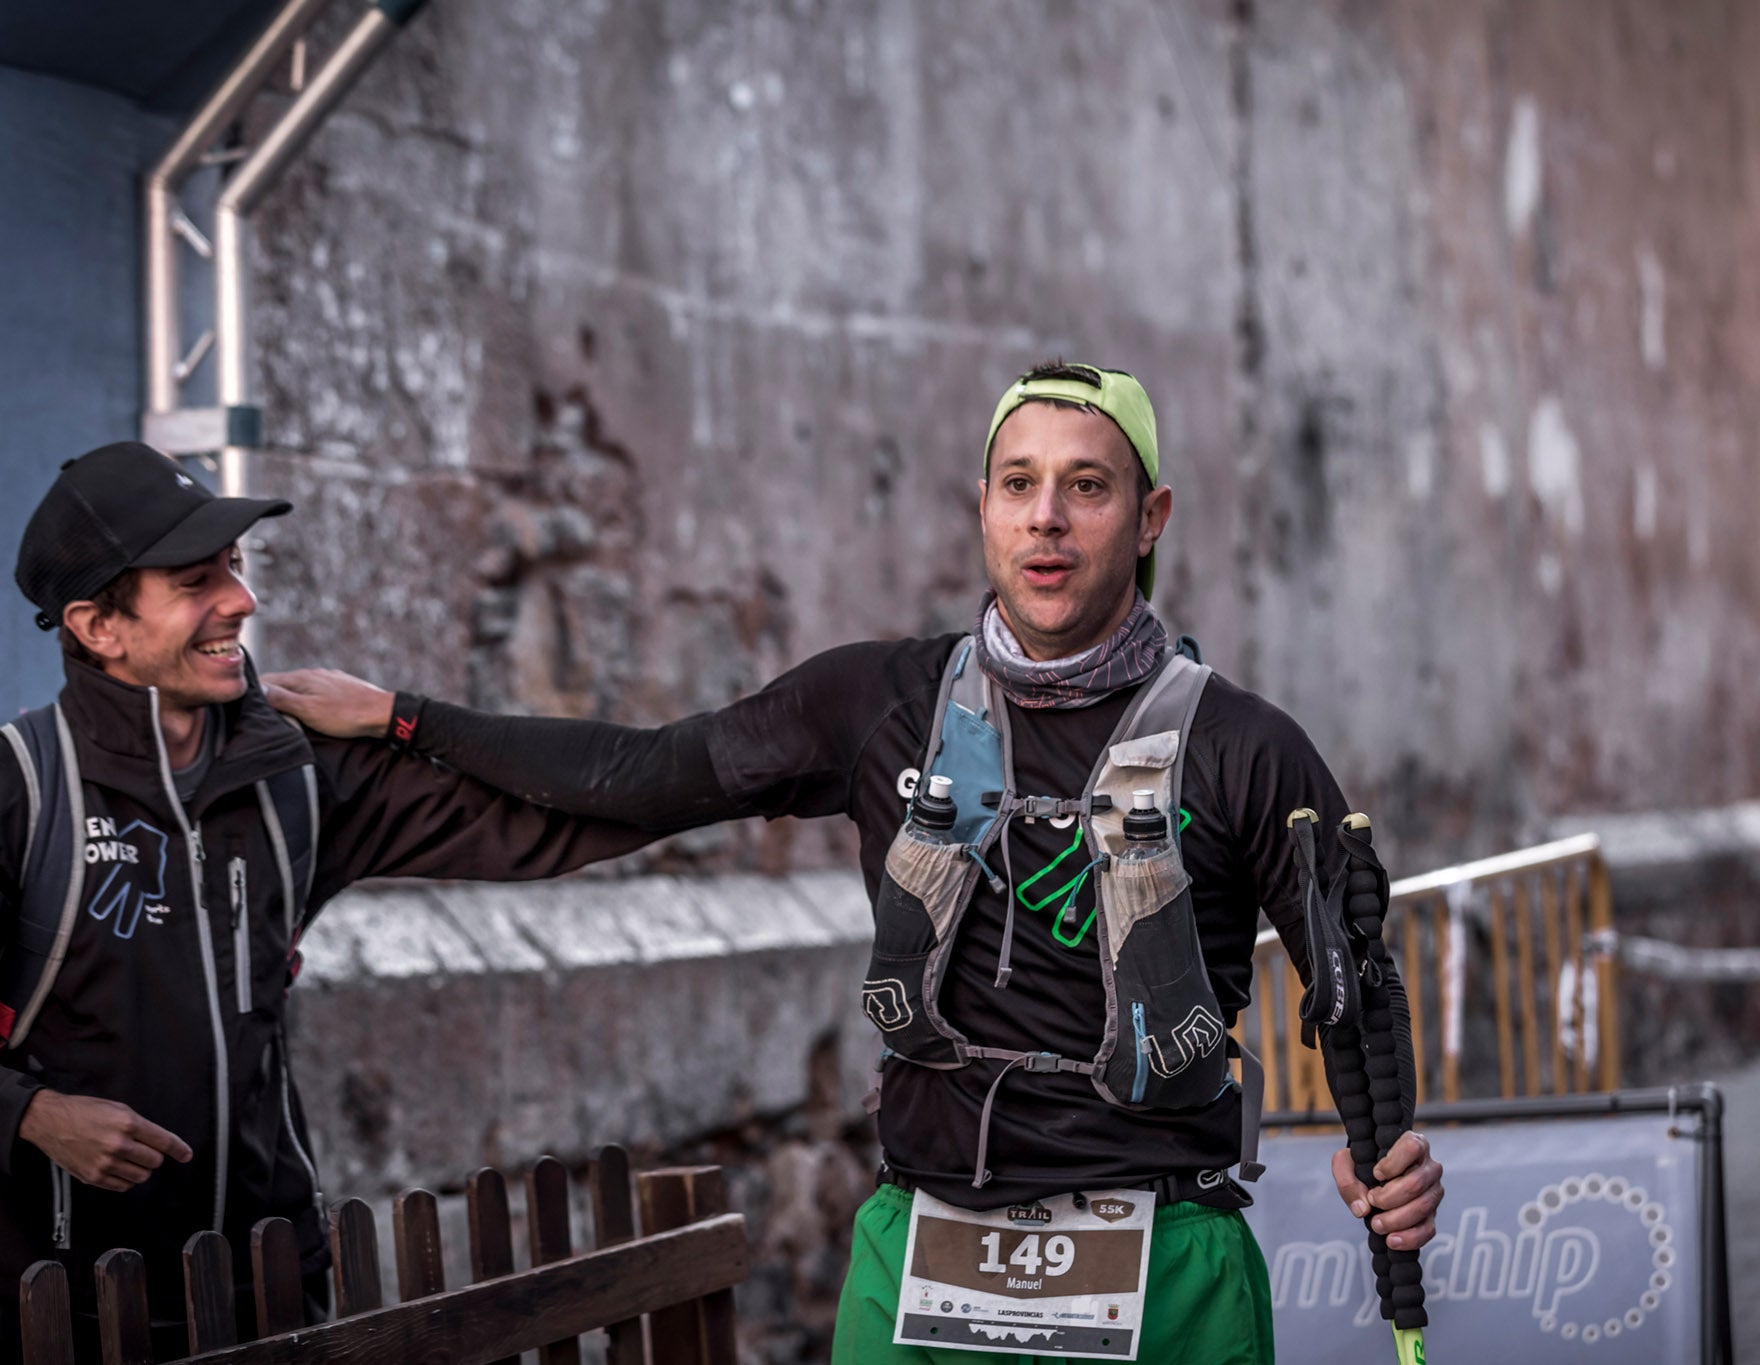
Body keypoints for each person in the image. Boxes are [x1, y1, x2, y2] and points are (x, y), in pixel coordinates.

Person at [268, 361, 1445, 1364]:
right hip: (920, 1246)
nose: (1047, 518)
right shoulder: (874, 702)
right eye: (1020, 485)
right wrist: (404, 719)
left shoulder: (1246, 746)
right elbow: (637, 777)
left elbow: (1352, 982)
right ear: (979, 507)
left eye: (1087, 488)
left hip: (1166, 1259)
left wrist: (1378, 1155)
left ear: (1149, 518)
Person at [0, 443, 656, 1357]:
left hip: (270, 1290)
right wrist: (30, 1113)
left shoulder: (299, 772)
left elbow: (568, 813)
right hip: (53, 1306)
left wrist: (406, 715)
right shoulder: (21, 787)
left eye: (234, 566)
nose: (241, 599)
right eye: (196, 579)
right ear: (98, 626)